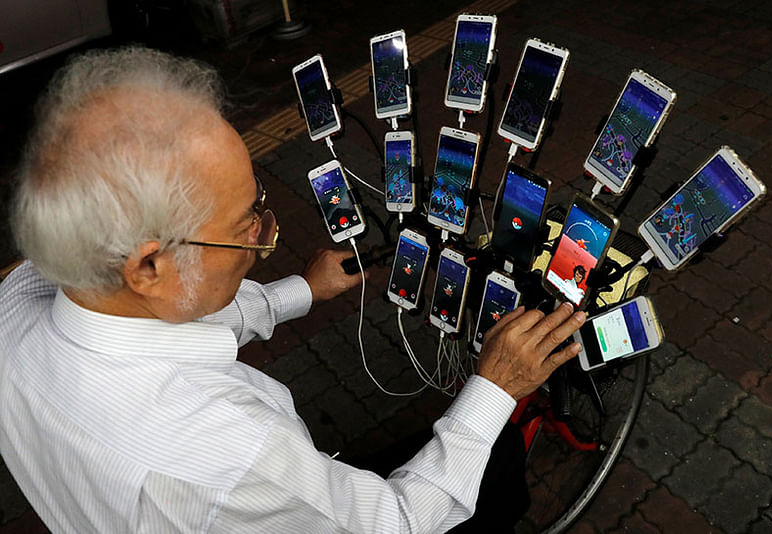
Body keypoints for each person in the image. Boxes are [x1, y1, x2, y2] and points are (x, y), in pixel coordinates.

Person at [0, 47, 585, 533]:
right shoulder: (233, 453)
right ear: (148, 266)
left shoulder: (21, 299)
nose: (263, 230)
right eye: (246, 223)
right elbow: (400, 522)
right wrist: (494, 388)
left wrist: (302, 290)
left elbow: (167, 320)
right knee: (496, 474)